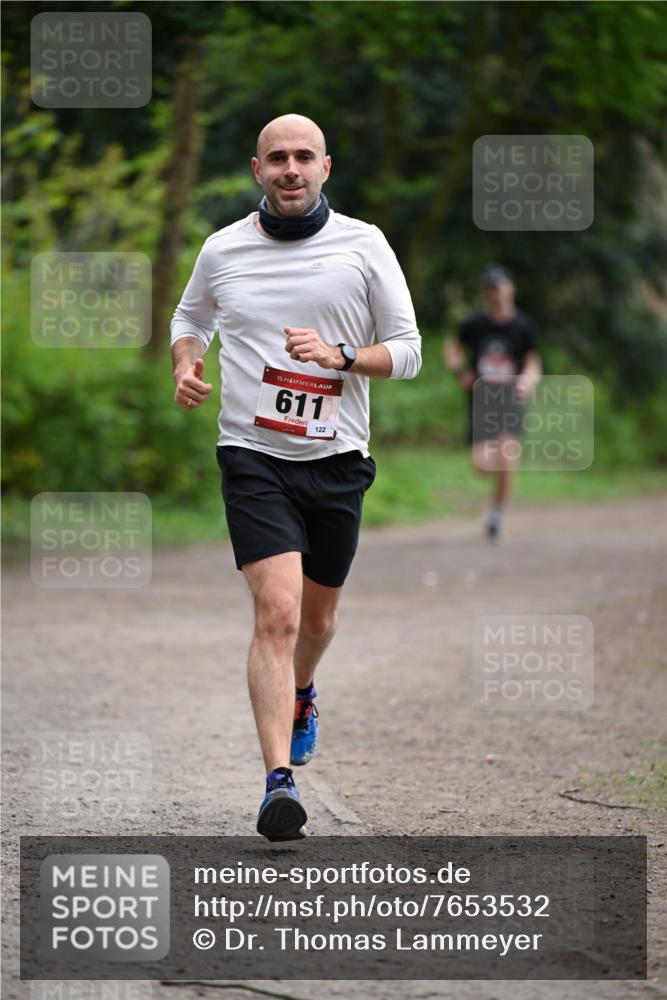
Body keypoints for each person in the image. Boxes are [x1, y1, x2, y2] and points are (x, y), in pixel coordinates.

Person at [170, 114, 421, 841]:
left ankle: (303, 692)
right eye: (276, 158)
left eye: (302, 157)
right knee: (276, 613)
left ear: (325, 167)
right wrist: (187, 362)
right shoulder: (223, 249)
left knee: (316, 620)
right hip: (252, 456)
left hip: (337, 460)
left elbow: (407, 352)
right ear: (256, 169)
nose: (289, 168)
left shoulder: (363, 245)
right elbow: (191, 318)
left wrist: (341, 356)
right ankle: (278, 784)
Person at [443, 265, 541, 539]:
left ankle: (497, 513)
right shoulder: (475, 324)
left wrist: (528, 380)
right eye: (489, 288)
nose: (494, 293)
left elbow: (533, 362)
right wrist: (461, 371)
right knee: (483, 466)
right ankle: (496, 482)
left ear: (511, 288)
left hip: (510, 400)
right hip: (481, 401)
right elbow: (452, 348)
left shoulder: (523, 326)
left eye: (498, 287)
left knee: (508, 456)